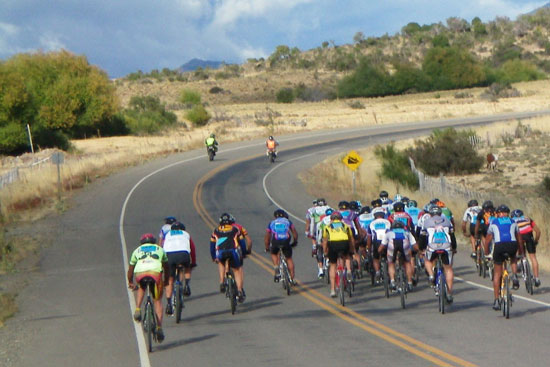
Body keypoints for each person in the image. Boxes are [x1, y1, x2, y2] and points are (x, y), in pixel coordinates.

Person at [127, 233, 169, 342]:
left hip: (141, 274)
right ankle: (159, 328)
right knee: (158, 301)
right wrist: (166, 281)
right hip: (155, 274)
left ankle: (137, 309)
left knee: (141, 286)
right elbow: (166, 267)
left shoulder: (137, 250)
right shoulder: (159, 249)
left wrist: (130, 282)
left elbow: (130, 270)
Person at [484, 205, 522, 310]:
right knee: (513, 258)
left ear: (498, 213)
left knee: (497, 273)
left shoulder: (494, 222)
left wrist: (487, 253)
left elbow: (487, 240)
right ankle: (514, 276)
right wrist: (521, 251)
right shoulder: (513, 221)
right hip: (512, 245)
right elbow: (519, 238)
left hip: (499, 246)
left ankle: (496, 300)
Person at [422, 205, 456, 304]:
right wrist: (454, 248)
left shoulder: (427, 222)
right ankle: (449, 293)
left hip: (432, 247)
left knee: (427, 260)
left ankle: (432, 275)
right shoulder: (447, 221)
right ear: (441, 213)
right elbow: (452, 236)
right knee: (448, 268)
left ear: (430, 214)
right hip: (446, 246)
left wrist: (421, 249)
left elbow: (422, 238)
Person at [162, 221, 196, 315]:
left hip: (170, 256)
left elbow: (163, 248)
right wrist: (193, 262)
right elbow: (192, 249)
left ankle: (169, 304)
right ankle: (187, 285)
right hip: (183, 255)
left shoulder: (167, 235)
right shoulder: (186, 234)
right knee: (187, 267)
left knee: (170, 280)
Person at [210, 213, 246, 302]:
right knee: (237, 270)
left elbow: (212, 246)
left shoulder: (215, 231)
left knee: (221, 262)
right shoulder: (235, 229)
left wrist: (213, 257)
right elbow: (242, 243)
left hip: (221, 252)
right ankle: (240, 291)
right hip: (233, 251)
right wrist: (244, 253)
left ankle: (222, 282)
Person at [322, 211, 355, 297]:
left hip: (333, 244)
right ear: (341, 219)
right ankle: (348, 270)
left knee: (333, 265)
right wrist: (352, 250)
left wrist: (325, 251)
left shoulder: (327, 227)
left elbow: (325, 241)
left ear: (331, 219)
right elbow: (351, 240)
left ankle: (333, 290)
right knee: (347, 255)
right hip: (344, 243)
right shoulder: (346, 226)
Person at [379, 221, 418, 292]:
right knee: (407, 263)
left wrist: (379, 252)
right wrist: (417, 251)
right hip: (404, 243)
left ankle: (392, 281)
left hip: (392, 244)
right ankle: (409, 282)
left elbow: (382, 246)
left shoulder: (388, 233)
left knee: (391, 263)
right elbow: (415, 245)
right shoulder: (407, 232)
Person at [265, 209, 299, 283]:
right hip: (286, 240)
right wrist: (295, 241)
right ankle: (292, 279)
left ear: (275, 217)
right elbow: (294, 232)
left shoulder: (272, 223)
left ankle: (276, 268)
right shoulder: (288, 221)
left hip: (276, 241)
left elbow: (267, 236)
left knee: (273, 253)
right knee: (289, 258)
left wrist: (267, 246)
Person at [511, 209, 542, 287]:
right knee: (533, 258)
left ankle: (519, 264)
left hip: (519, 237)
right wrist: (536, 241)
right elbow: (538, 231)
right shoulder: (528, 219)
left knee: (517, 254)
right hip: (529, 237)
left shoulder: (512, 221)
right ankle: (536, 278)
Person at [228, 213, 252, 298]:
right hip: (237, 250)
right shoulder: (239, 227)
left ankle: (224, 282)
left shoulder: (220, 229)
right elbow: (248, 240)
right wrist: (247, 251)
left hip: (223, 251)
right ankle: (240, 289)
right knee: (239, 269)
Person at [366, 207, 392, 283]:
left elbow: (369, 237)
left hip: (376, 241)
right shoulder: (388, 222)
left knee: (375, 258)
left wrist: (369, 247)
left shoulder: (371, 223)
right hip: (386, 241)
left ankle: (377, 272)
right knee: (390, 258)